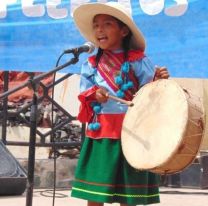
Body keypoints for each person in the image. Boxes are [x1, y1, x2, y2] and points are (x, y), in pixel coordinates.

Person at [71, 2, 169, 206]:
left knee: (129, 195)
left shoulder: (137, 60)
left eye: (107, 24)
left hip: (132, 132)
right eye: (96, 25)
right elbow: (84, 92)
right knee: (95, 194)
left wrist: (157, 80)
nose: (99, 29)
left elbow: (150, 93)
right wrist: (94, 94)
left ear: (124, 30)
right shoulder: (91, 63)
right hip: (102, 132)